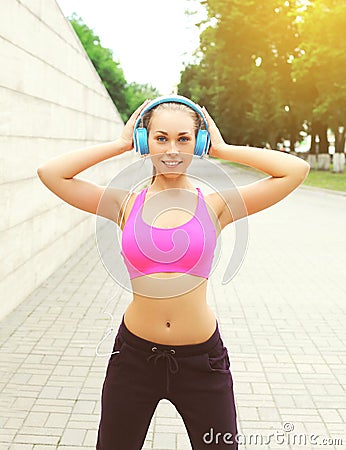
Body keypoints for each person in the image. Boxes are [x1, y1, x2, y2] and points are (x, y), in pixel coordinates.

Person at [37, 96, 310, 450]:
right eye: (160, 138)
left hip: (202, 363)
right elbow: (51, 173)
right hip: (133, 358)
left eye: (184, 139)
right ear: (143, 141)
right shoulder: (125, 204)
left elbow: (295, 170)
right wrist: (118, 144)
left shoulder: (216, 206)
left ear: (198, 143)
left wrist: (224, 149)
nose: (172, 150)